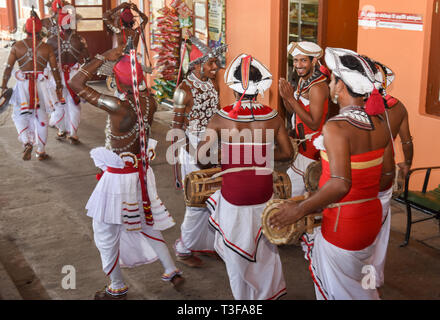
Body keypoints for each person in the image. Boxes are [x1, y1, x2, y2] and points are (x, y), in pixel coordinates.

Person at [269, 47, 394, 300]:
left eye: (334, 80)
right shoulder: (380, 123)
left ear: (342, 87)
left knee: (339, 292)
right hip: (371, 220)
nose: (331, 85)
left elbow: (340, 184)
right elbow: (387, 176)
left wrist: (299, 209)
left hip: (343, 224)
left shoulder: (337, 127)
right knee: (360, 285)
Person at [69, 42, 184, 300]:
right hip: (140, 174)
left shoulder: (117, 106)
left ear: (117, 84)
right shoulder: (150, 102)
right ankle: (171, 269)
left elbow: (76, 83)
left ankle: (117, 287)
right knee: (146, 222)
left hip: (119, 179)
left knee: (105, 230)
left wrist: (102, 57)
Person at [197, 54, 293, 300]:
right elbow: (287, 153)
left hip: (235, 196)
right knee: (265, 249)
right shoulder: (273, 117)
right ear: (260, 87)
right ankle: (268, 294)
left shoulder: (221, 117)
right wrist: (262, 157)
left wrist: (227, 158)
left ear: (233, 86)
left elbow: (201, 159)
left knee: (235, 253)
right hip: (264, 193)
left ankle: (244, 299)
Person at [171, 36, 227, 267]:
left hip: (213, 145)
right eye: (211, 64)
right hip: (193, 148)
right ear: (196, 65)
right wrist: (193, 156)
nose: (216, 68)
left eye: (216, 63)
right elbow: (176, 129)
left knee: (214, 197)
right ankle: (184, 249)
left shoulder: (212, 83)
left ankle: (206, 244)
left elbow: (218, 113)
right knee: (197, 200)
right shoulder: (183, 90)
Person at [367, 59, 414, 288]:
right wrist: (407, 164)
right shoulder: (398, 107)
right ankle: (372, 280)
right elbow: (406, 141)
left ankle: (356, 283)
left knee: (359, 231)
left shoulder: (358, 107)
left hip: (362, 177)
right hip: (385, 177)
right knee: (379, 232)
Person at [0, 12, 63, 160]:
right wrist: (58, 85)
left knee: (19, 115)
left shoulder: (17, 46)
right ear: (40, 31)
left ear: (24, 30)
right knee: (41, 117)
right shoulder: (46, 48)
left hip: (23, 87)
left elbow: (8, 68)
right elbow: (54, 69)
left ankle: (26, 142)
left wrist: (3, 86)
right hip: (41, 86)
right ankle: (41, 151)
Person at [279, 41, 329, 197]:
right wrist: (285, 98)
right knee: (304, 196)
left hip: (311, 151)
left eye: (303, 60)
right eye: (295, 60)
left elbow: (314, 123)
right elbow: (293, 112)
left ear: (313, 61)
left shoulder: (318, 88)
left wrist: (291, 98)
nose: (298, 65)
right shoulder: (302, 81)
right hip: (302, 146)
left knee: (290, 194)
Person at [46, 6, 90, 144]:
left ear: (59, 24)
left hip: (57, 77)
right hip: (74, 77)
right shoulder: (79, 39)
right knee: (74, 104)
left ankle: (61, 130)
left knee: (60, 104)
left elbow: (47, 61)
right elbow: (87, 58)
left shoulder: (52, 40)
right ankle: (74, 133)